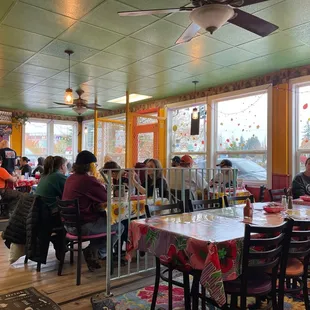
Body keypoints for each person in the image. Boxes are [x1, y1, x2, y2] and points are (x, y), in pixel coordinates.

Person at [62, 150, 123, 271]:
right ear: (90, 165)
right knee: (119, 226)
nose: (96, 167)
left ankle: (94, 251)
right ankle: (99, 253)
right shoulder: (88, 180)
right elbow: (106, 198)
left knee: (104, 221)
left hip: (68, 224)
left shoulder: (70, 178)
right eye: (95, 165)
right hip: (83, 226)